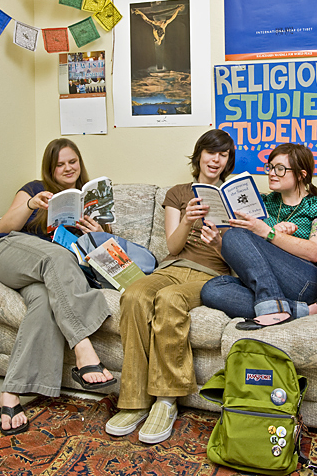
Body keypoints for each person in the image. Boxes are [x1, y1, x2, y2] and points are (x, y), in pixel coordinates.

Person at [105, 129, 236, 444]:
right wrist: (189, 221)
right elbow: (173, 247)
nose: (216, 159)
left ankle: (166, 401)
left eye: (224, 154)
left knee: (169, 299)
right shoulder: (178, 193)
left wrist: (218, 240)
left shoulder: (233, 196)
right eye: (211, 152)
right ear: (199, 155)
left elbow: (236, 258)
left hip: (210, 272)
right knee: (134, 294)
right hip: (173, 266)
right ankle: (135, 401)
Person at [0, 138, 116, 436]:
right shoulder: (34, 188)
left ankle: (9, 394)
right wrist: (31, 205)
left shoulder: (92, 200)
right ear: (50, 168)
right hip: (13, 253)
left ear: (80, 163)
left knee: (47, 304)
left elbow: (105, 254)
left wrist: (98, 232)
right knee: (57, 256)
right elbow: (5, 226)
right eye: (60, 164)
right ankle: (83, 348)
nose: (67, 168)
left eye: (72, 161)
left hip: (53, 274)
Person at [200, 143, 317, 330]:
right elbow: (247, 256)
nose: (272, 173)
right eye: (271, 167)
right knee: (212, 290)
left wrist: (268, 233)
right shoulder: (263, 203)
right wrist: (218, 243)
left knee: (235, 234)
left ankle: (272, 308)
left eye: (281, 169)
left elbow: (315, 252)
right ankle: (300, 311)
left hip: (305, 281)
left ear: (301, 174)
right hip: (271, 283)